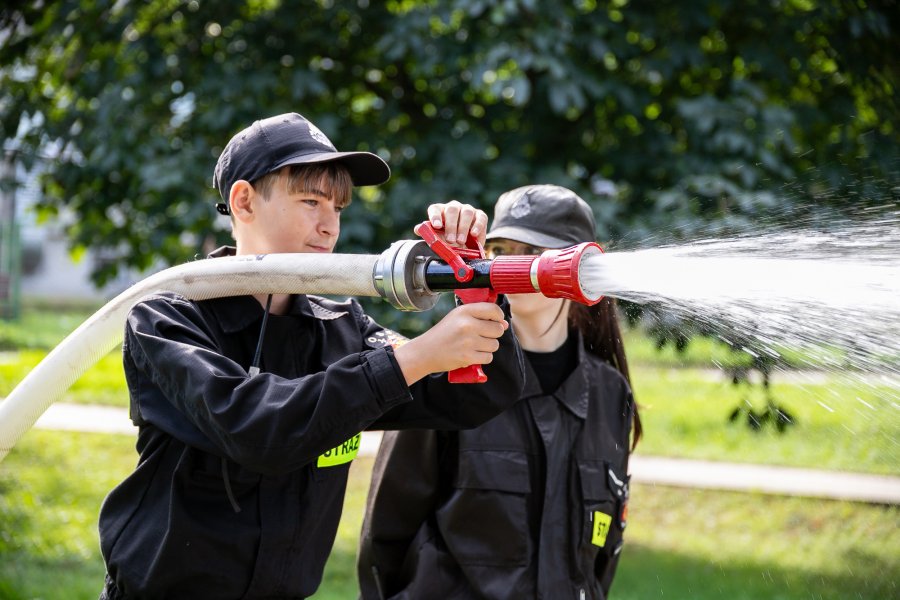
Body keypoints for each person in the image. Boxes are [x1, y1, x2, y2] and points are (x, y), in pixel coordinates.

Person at [97, 112, 525, 599]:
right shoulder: (168, 318)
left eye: (338, 206)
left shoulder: (337, 323)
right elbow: (258, 429)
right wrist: (413, 358)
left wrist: (477, 288)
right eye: (310, 200)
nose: (329, 226)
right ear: (244, 202)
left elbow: (474, 397)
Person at [357, 184, 642, 600]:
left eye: (533, 250)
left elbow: (600, 557)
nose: (511, 264)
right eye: (500, 249)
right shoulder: (447, 375)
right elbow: (386, 535)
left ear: (579, 270)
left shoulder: (609, 395)